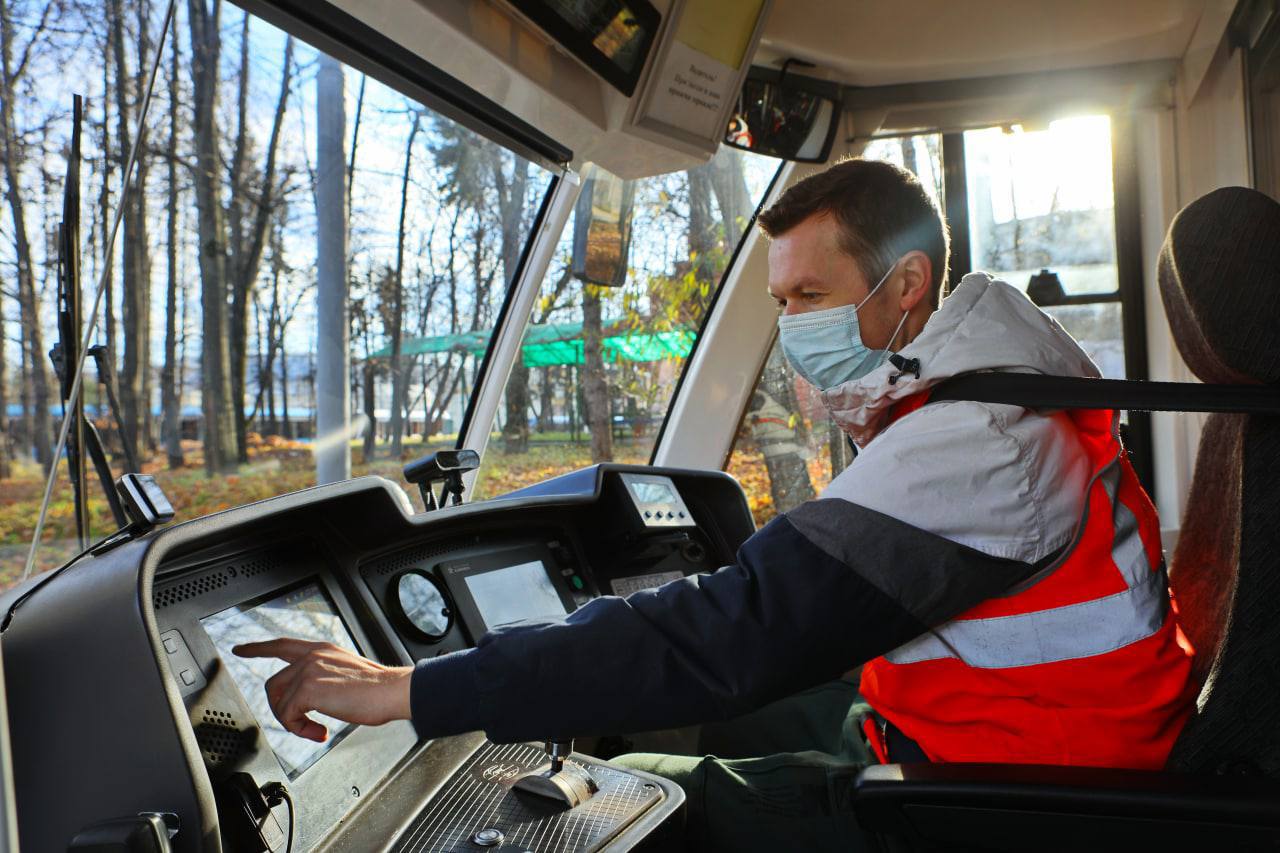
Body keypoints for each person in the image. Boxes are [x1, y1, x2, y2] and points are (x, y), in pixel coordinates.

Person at [235, 159, 1196, 850]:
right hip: (1023, 745)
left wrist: (414, 689)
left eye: (809, 294)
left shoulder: (975, 438)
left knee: (606, 803)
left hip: (1009, 806)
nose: (790, 328)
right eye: (780, 302)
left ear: (907, 287)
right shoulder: (987, 390)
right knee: (722, 725)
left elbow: (729, 633)